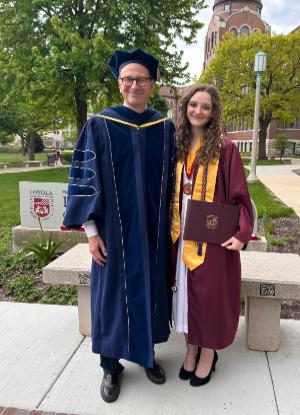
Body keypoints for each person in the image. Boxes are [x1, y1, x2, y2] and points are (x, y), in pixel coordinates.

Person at [63, 49, 175, 403]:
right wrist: (92, 233)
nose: (134, 85)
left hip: (154, 234)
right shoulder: (100, 124)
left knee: (152, 294)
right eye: (128, 79)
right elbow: (84, 181)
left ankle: (147, 356)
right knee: (112, 299)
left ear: (152, 85)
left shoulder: (165, 127)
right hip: (113, 233)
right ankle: (111, 367)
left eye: (141, 79)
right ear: (119, 84)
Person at [171, 84, 253, 387]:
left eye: (205, 106)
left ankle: (208, 353)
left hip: (211, 236)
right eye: (194, 105)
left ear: (213, 111)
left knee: (209, 297)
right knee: (184, 296)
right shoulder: (179, 145)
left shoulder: (225, 147)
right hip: (181, 232)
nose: (198, 111)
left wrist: (242, 233)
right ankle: (190, 348)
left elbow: (239, 194)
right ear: (185, 107)